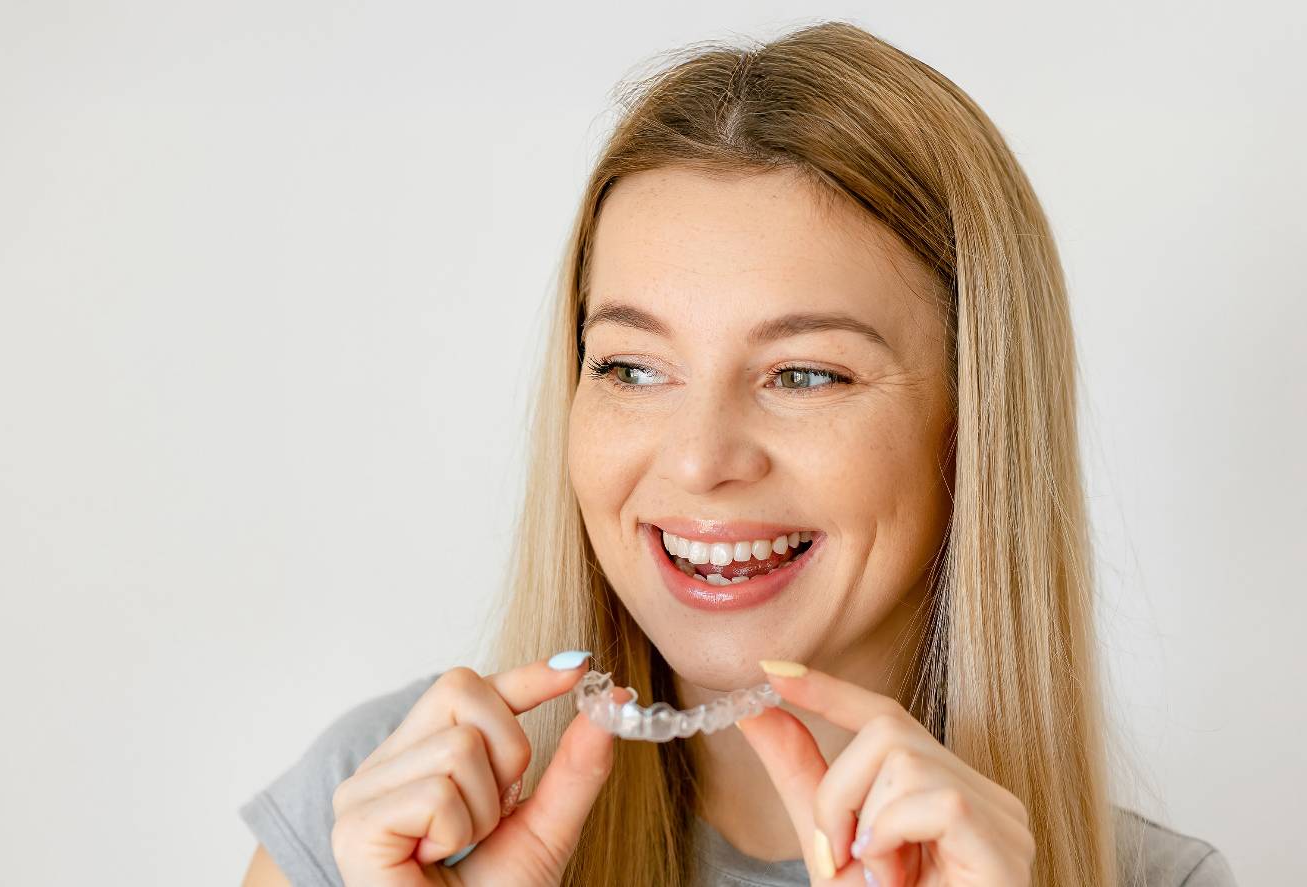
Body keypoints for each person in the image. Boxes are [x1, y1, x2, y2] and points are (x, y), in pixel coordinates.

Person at [236, 21, 1233, 887]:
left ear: (975, 421)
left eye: (804, 374)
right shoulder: (376, 819)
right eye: (632, 367)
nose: (700, 459)